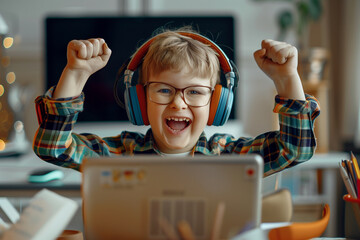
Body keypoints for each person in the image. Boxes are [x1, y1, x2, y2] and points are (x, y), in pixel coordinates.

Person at [33, 27, 320, 177]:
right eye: (164, 90)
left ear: (217, 103)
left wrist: (287, 81)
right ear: (140, 100)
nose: (178, 104)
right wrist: (75, 74)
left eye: (195, 92)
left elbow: (295, 149)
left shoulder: (228, 156)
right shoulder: (119, 155)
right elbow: (52, 147)